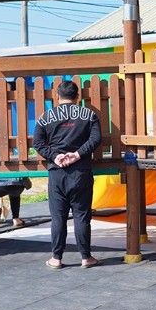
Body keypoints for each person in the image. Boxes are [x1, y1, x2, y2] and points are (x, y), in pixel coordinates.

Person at [32, 80, 102, 269]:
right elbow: (96, 139)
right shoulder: (89, 115)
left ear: (57, 96)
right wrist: (77, 154)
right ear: (78, 96)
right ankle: (86, 258)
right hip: (81, 171)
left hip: (57, 173)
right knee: (81, 216)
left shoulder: (46, 117)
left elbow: (37, 143)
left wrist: (55, 156)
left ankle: (56, 258)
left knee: (58, 217)